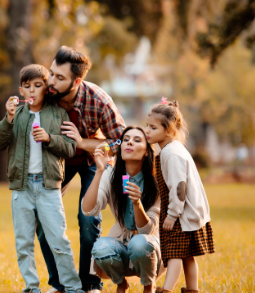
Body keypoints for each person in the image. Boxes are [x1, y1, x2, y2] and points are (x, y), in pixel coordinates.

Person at [37, 46, 126, 293]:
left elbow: (121, 141)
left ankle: (90, 284)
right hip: (56, 161)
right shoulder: (46, 92)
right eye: (52, 73)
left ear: (77, 81)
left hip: (90, 163)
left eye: (59, 78)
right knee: (42, 219)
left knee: (88, 221)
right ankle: (60, 283)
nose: (51, 81)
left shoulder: (98, 100)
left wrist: (84, 142)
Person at [0, 64, 84, 293]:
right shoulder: (16, 115)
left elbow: (71, 148)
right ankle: (32, 288)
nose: (32, 90)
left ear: (46, 89)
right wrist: (8, 118)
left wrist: (49, 138)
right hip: (21, 187)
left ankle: (73, 288)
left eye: (38, 85)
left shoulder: (57, 114)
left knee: (59, 242)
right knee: (24, 244)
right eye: (27, 86)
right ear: (21, 91)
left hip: (48, 186)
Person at [81, 126, 162, 293]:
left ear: (146, 152)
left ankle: (149, 285)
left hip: (148, 245)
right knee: (101, 248)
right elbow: (88, 210)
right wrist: (99, 171)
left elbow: (147, 230)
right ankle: (121, 283)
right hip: (120, 240)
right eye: (126, 139)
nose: (130, 142)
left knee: (139, 244)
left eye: (137, 140)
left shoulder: (156, 182)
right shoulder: (111, 175)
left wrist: (137, 203)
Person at [145, 99, 215, 293]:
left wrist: (172, 214)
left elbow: (179, 187)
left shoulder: (171, 153)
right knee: (187, 255)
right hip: (187, 212)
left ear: (168, 130)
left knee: (175, 253)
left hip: (181, 214)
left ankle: (166, 290)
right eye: (147, 126)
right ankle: (192, 289)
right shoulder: (170, 149)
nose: (147, 131)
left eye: (153, 127)